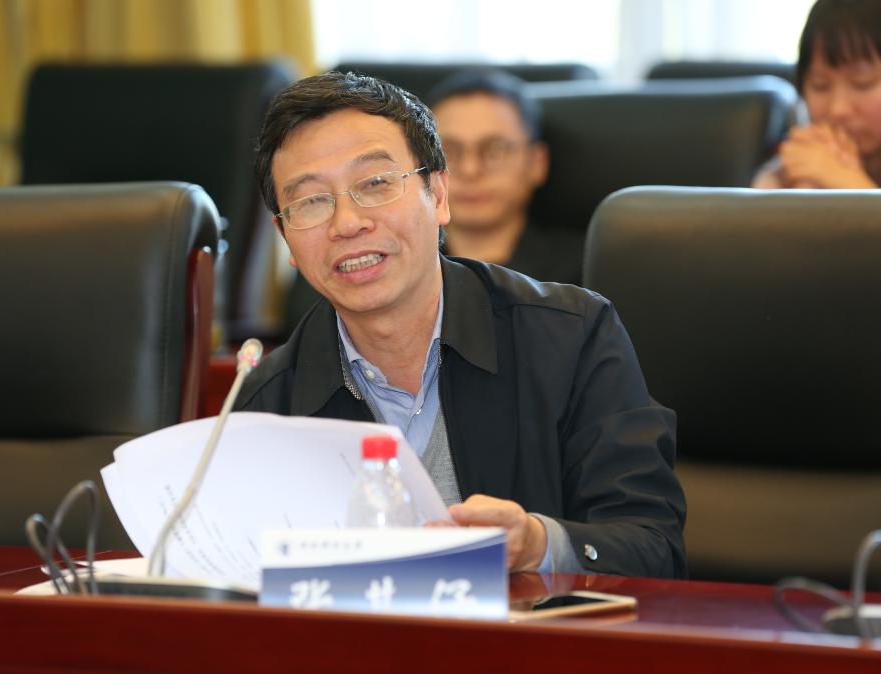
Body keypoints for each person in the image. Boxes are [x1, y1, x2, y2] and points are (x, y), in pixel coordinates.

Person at [238, 71, 686, 578]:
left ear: (438, 194)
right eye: (311, 201)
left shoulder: (573, 337)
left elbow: (654, 547)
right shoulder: (266, 404)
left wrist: (538, 545)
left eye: (375, 184)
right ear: (285, 238)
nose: (347, 223)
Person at [426, 70, 583, 284]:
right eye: (449, 151)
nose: (470, 170)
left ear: (537, 163)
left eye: (495, 150)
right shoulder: (404, 266)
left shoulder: (590, 270)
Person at [754, 0, 881, 189]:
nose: (838, 109)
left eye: (863, 83)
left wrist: (846, 182)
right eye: (820, 85)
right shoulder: (797, 158)